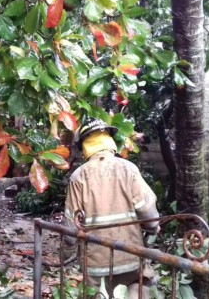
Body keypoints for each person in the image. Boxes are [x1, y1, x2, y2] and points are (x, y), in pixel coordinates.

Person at [62, 118, 160, 299]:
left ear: (85, 145)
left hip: (96, 266)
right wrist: (152, 228)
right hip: (131, 257)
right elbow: (149, 213)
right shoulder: (128, 169)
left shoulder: (78, 177)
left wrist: (65, 256)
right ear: (109, 140)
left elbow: (69, 231)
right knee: (138, 289)